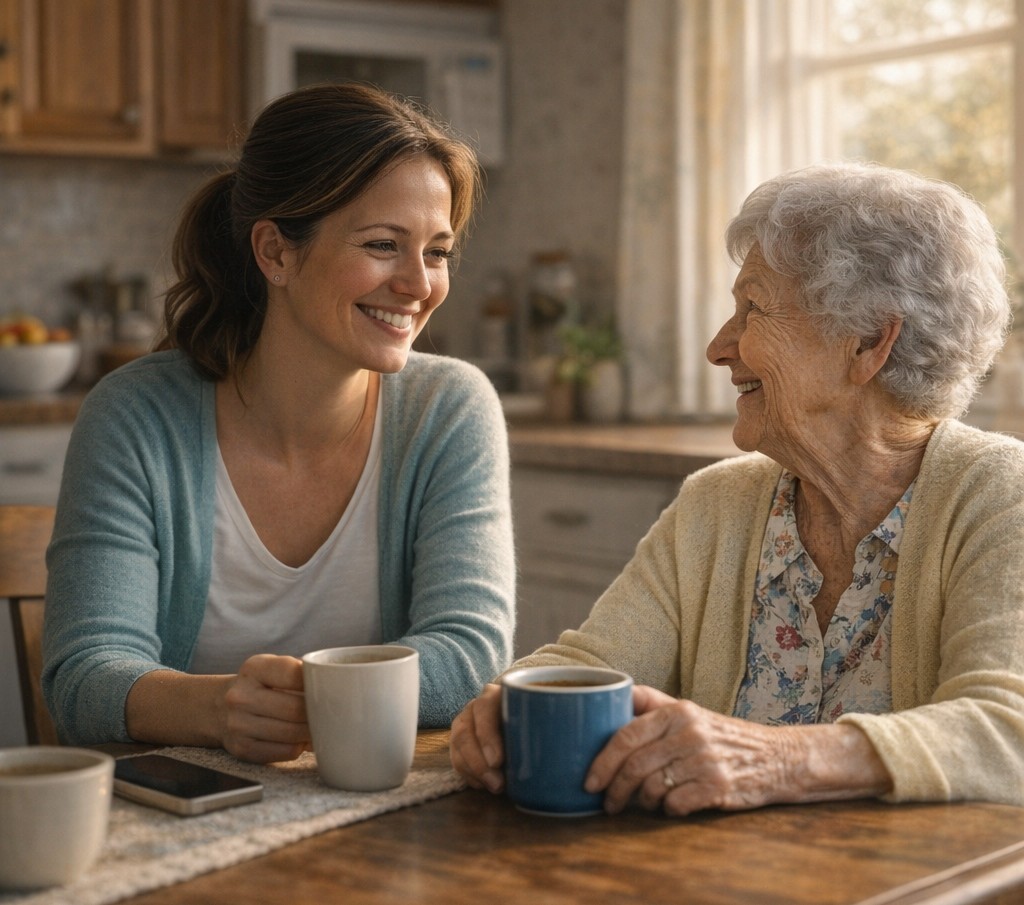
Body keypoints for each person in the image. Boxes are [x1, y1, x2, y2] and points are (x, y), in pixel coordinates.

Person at [452, 161, 1024, 815]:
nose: (720, 347)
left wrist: (778, 758)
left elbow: (1007, 731)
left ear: (868, 341)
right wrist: (508, 703)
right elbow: (595, 664)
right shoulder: (718, 504)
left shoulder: (1001, 496)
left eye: (753, 308)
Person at [43, 83, 516, 763]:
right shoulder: (135, 417)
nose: (419, 284)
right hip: (177, 821)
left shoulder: (450, 409)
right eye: (384, 244)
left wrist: (307, 696)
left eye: (437, 251)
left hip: (379, 815)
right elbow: (84, 677)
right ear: (276, 253)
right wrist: (218, 707)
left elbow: (468, 654)